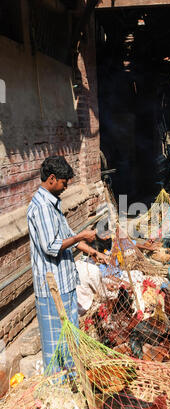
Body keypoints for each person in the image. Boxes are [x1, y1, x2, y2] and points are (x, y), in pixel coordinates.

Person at [27, 155, 107, 373]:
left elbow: (67, 235)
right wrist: (81, 235)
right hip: (53, 287)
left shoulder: (53, 204)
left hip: (65, 282)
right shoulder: (42, 207)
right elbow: (52, 246)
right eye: (64, 183)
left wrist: (92, 251)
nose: (65, 187)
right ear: (52, 178)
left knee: (70, 337)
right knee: (56, 342)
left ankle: (73, 377)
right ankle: (58, 386)